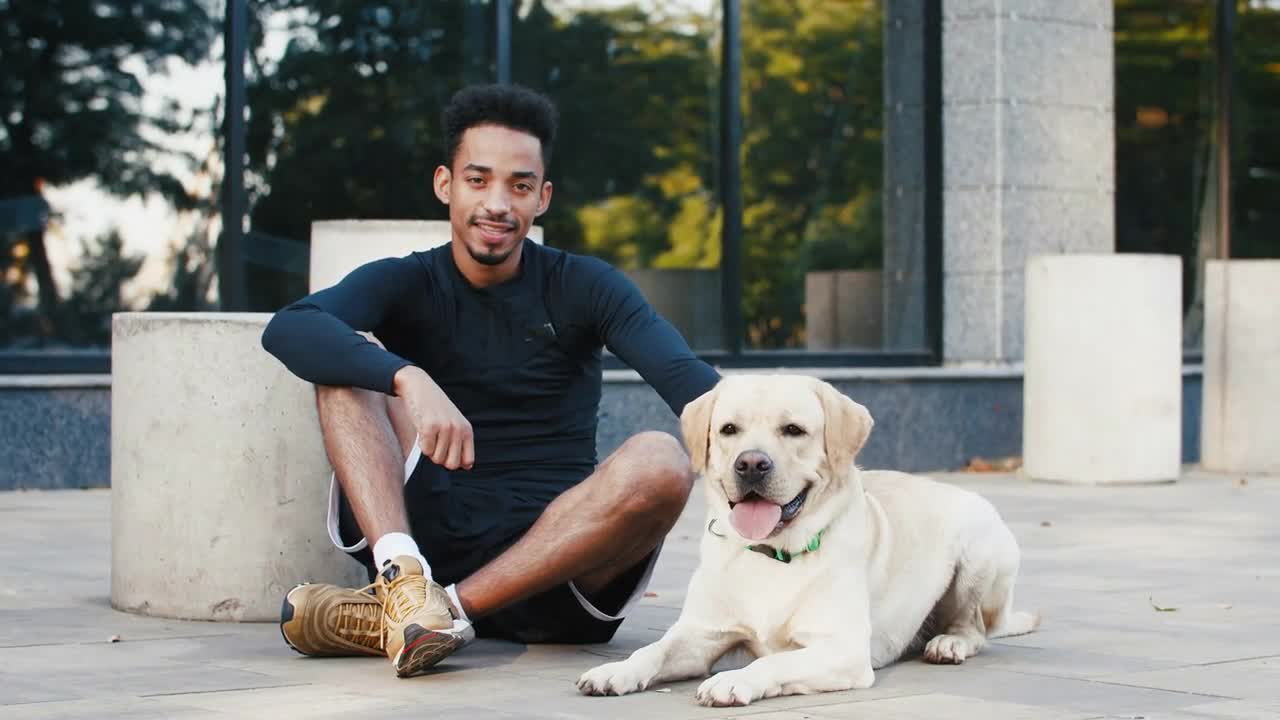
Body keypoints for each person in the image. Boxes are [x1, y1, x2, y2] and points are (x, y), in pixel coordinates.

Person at [260, 83, 721, 678]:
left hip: (559, 565)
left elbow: (693, 384)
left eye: (519, 186)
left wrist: (811, 462)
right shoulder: (408, 281)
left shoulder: (587, 285)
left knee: (662, 460)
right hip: (431, 537)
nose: (498, 204)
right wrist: (406, 375)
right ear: (445, 184)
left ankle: (439, 617)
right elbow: (291, 328)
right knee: (344, 372)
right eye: (478, 181)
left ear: (543, 197)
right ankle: (402, 588)